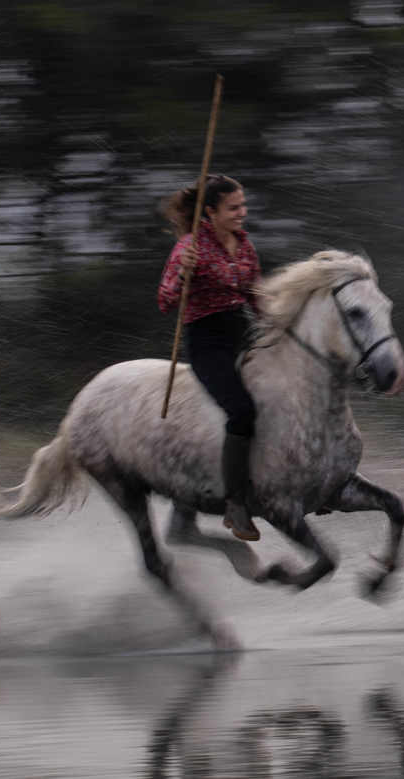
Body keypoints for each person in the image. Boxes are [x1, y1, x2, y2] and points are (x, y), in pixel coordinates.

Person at [158, 174, 262, 541]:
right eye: (233, 208)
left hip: (243, 333)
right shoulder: (190, 247)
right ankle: (235, 504)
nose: (242, 213)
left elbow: (255, 298)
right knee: (243, 412)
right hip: (206, 342)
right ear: (210, 212)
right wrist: (182, 275)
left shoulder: (245, 245)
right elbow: (165, 301)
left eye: (243, 205)